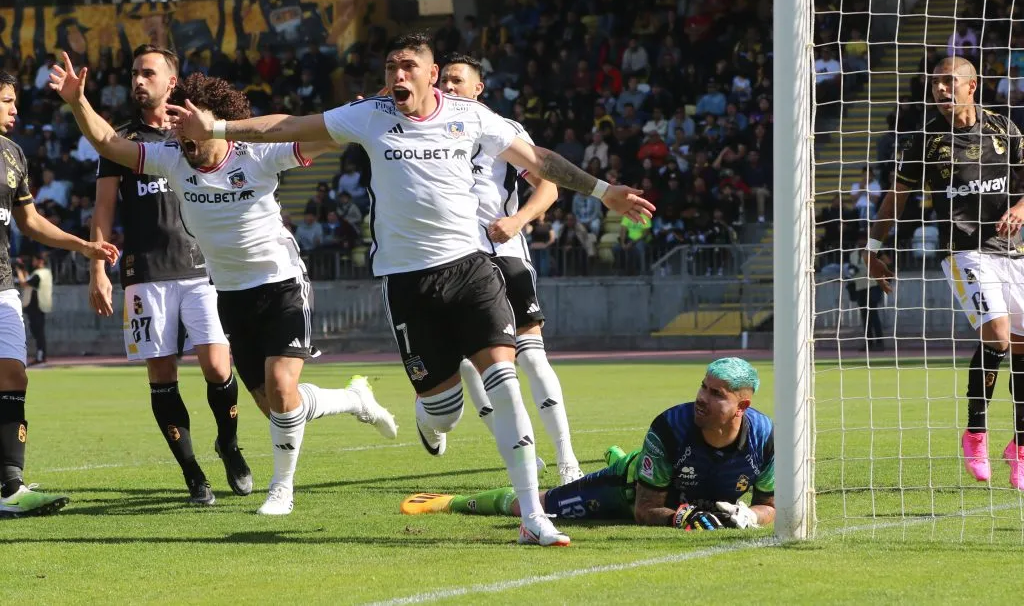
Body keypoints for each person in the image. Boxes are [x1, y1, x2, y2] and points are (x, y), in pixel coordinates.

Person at [166, 31, 655, 546]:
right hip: (406, 282)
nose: (397, 75)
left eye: (407, 66)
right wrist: (218, 126)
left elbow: (540, 161)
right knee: (443, 406)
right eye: (389, 67)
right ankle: (433, 418)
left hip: (471, 268)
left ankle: (533, 515)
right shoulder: (370, 116)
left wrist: (605, 192)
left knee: (505, 380)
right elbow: (289, 125)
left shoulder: (472, 116)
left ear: (430, 71)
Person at [50, 55, 398, 516]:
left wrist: (358, 116)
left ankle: (282, 488)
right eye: (176, 126)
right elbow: (108, 143)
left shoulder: (256, 154)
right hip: (231, 294)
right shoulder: (172, 159)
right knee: (277, 405)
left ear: (215, 124)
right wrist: (78, 103)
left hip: (282, 283)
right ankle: (356, 399)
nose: (180, 136)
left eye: (189, 125)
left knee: (279, 383)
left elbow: (316, 135)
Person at [90, 45, 253, 506]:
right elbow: (102, 210)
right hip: (145, 274)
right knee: (162, 376)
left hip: (202, 268)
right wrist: (97, 268)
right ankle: (193, 473)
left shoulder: (197, 131)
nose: (137, 81)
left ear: (171, 83)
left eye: (147, 73)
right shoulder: (120, 142)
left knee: (219, 366)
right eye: (133, 73)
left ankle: (230, 445)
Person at [866, 56, 1024, 488]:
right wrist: (873, 247)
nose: (939, 89)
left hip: (1013, 253)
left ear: (972, 85)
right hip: (964, 252)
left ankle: (1020, 447)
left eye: (948, 81)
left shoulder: (1004, 130)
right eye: (935, 82)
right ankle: (975, 432)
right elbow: (895, 198)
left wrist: (1017, 208)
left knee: (1023, 351)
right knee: (998, 337)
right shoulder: (924, 141)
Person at [400, 358, 775, 532]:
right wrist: (682, 517)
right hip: (627, 490)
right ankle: (451, 502)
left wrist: (750, 517)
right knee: (541, 505)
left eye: (716, 395)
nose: (701, 398)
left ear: (742, 406)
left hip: (681, 493)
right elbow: (646, 510)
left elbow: (770, 505)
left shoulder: (765, 438)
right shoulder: (671, 426)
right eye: (702, 387)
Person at [439, 54, 582, 484]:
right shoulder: (428, 129)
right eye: (443, 79)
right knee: (467, 363)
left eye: (457, 80)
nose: (447, 86)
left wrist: (518, 221)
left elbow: (548, 185)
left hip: (504, 253)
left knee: (532, 359)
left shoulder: (500, 130)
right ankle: (520, 454)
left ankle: (566, 458)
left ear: (477, 88)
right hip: (454, 257)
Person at [0, 70, 120, 518]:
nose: (15, 109)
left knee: (14, 376)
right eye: (7, 101)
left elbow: (29, 222)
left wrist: (83, 245)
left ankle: (11, 487)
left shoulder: (13, 156)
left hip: (3, 286)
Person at [16, 252, 51, 365]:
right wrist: (24, 270)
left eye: (35, 260)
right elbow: (29, 280)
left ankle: (41, 357)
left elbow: (24, 283)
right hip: (39, 307)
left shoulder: (39, 274)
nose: (33, 262)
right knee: (37, 332)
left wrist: (18, 270)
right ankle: (40, 356)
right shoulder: (43, 273)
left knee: (38, 333)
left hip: (37, 307)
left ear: (40, 261)